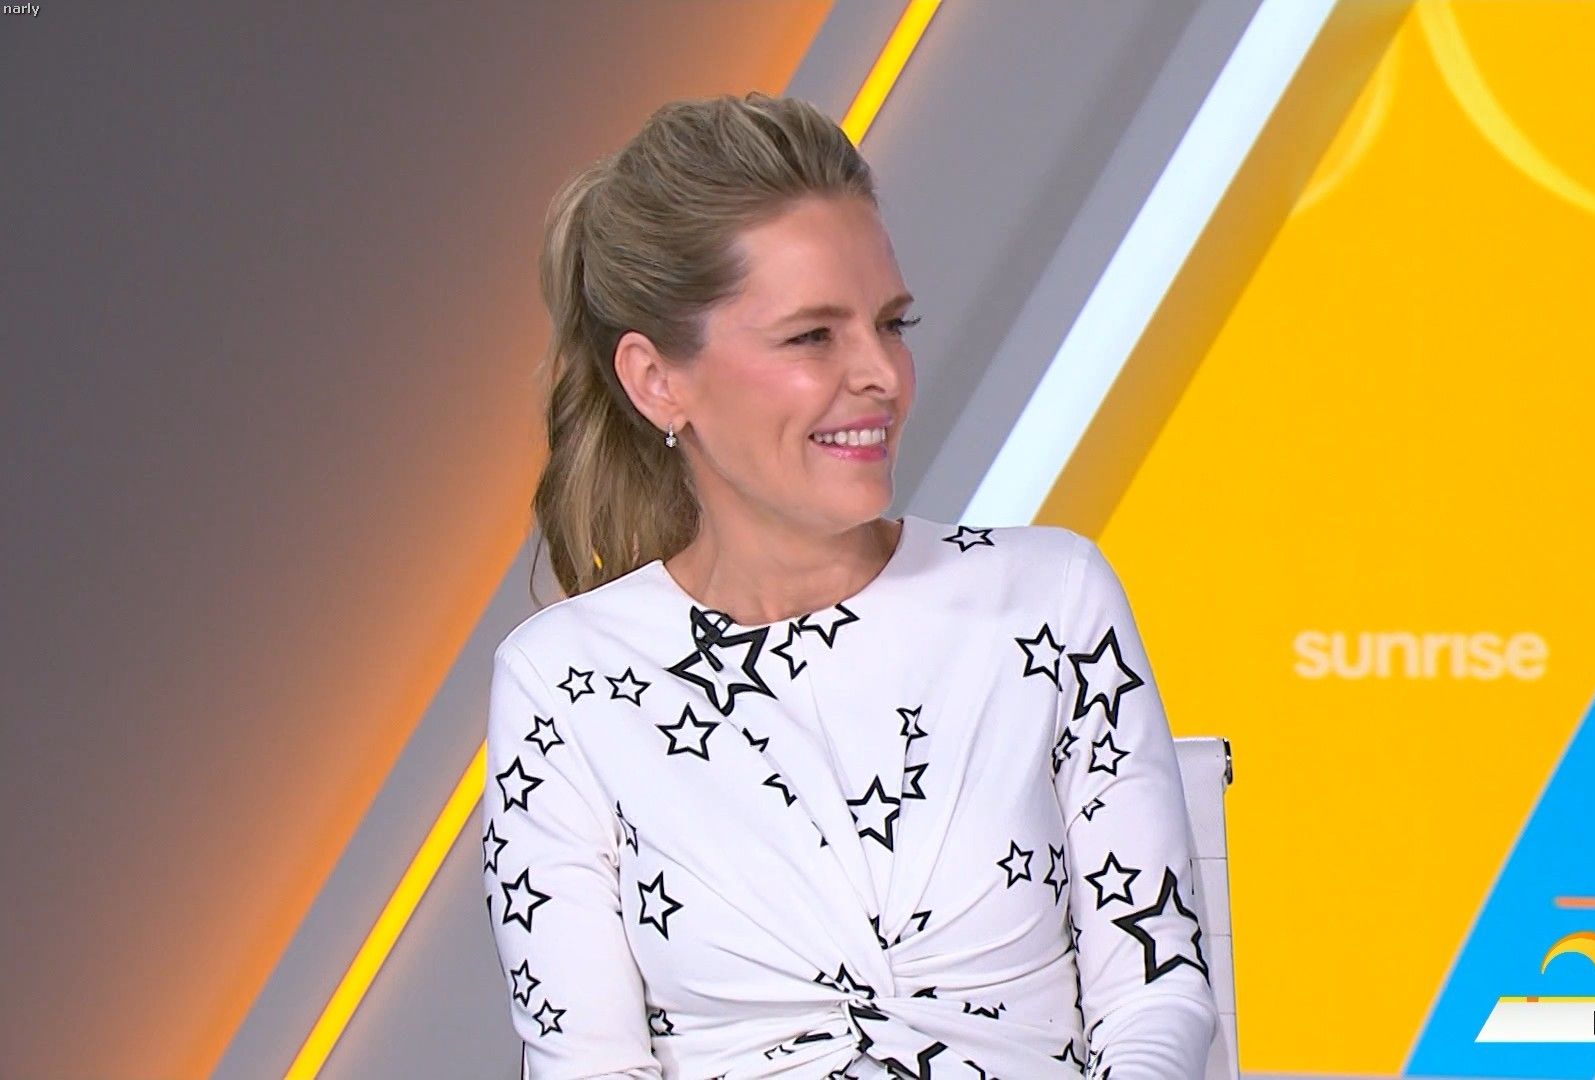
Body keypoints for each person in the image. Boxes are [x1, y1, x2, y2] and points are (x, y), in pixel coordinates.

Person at [480, 90, 1218, 1079]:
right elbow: (584, 1066)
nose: (882, 374)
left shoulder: (1048, 598)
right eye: (812, 337)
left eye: (892, 324)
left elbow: (1158, 993)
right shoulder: (563, 681)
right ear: (658, 381)